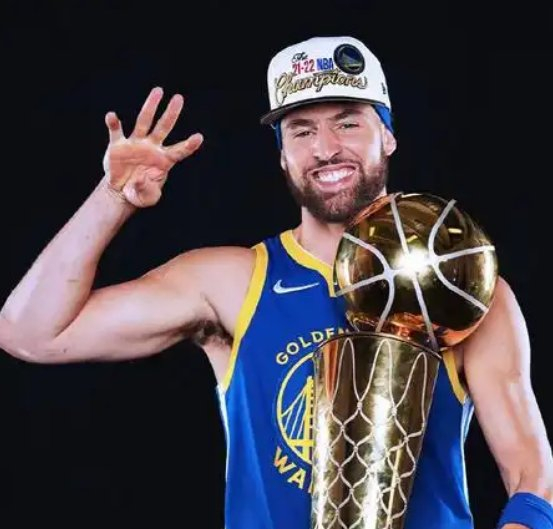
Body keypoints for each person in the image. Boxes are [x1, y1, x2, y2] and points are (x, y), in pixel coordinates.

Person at [1, 35, 552, 529]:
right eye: (302, 130)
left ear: (387, 136)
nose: (326, 147)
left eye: (348, 122)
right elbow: (30, 333)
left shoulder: (460, 290)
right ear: (283, 156)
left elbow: (532, 474)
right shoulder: (233, 281)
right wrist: (113, 199)